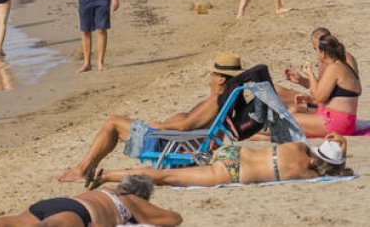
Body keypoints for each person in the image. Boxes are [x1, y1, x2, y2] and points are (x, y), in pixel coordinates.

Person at [57, 52, 244, 182]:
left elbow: (186, 125)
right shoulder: (223, 100)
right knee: (117, 120)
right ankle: (83, 167)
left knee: (113, 122)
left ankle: (81, 170)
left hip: (172, 144)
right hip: (176, 141)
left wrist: (161, 126)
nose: (210, 76)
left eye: (213, 73)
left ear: (220, 79)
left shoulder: (216, 102)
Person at [0, 174, 182, 227]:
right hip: (81, 214)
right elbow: (173, 219)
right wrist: (139, 212)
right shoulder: (129, 200)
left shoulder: (106, 192)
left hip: (57, 203)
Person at [94, 135, 349, 189]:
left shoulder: (299, 146)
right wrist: (338, 165)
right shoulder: (306, 175)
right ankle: (106, 175)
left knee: (172, 170)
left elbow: (336, 140)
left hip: (232, 152)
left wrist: (338, 148)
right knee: (164, 178)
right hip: (232, 173)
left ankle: (107, 173)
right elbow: (335, 173)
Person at [290, 34, 362, 136]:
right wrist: (308, 98)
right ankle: (259, 133)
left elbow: (318, 99)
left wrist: (310, 74)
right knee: (289, 126)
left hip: (335, 123)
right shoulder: (342, 66)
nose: (316, 53)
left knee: (288, 120)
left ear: (323, 53)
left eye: (316, 50)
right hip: (344, 122)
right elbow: (318, 95)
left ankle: (260, 128)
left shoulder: (334, 68)